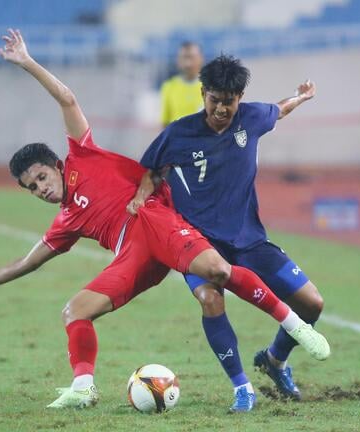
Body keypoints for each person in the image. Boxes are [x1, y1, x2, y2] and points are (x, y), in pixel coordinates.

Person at [0, 30, 329, 411]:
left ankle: (287, 338)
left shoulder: (83, 155)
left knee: (256, 284)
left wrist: (27, 62)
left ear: (55, 165)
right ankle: (85, 386)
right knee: (76, 311)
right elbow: (28, 261)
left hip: (168, 225)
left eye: (42, 178)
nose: (41, 189)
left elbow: (67, 98)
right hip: (143, 250)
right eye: (32, 188)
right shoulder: (67, 219)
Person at [129, 54, 323, 407]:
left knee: (312, 303)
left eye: (229, 101)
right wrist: (143, 195)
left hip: (249, 240)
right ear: (203, 94)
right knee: (210, 298)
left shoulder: (252, 117)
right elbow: (152, 170)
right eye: (214, 99)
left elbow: (279, 110)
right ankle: (242, 388)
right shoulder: (179, 132)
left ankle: (275, 361)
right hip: (198, 244)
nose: (221, 108)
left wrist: (300, 96)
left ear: (240, 97)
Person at [160, 42, 204, 127]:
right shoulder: (168, 86)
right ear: (178, 60)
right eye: (184, 58)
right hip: (176, 139)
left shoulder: (211, 87)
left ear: (201, 59)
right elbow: (164, 123)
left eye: (191, 58)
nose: (188, 63)